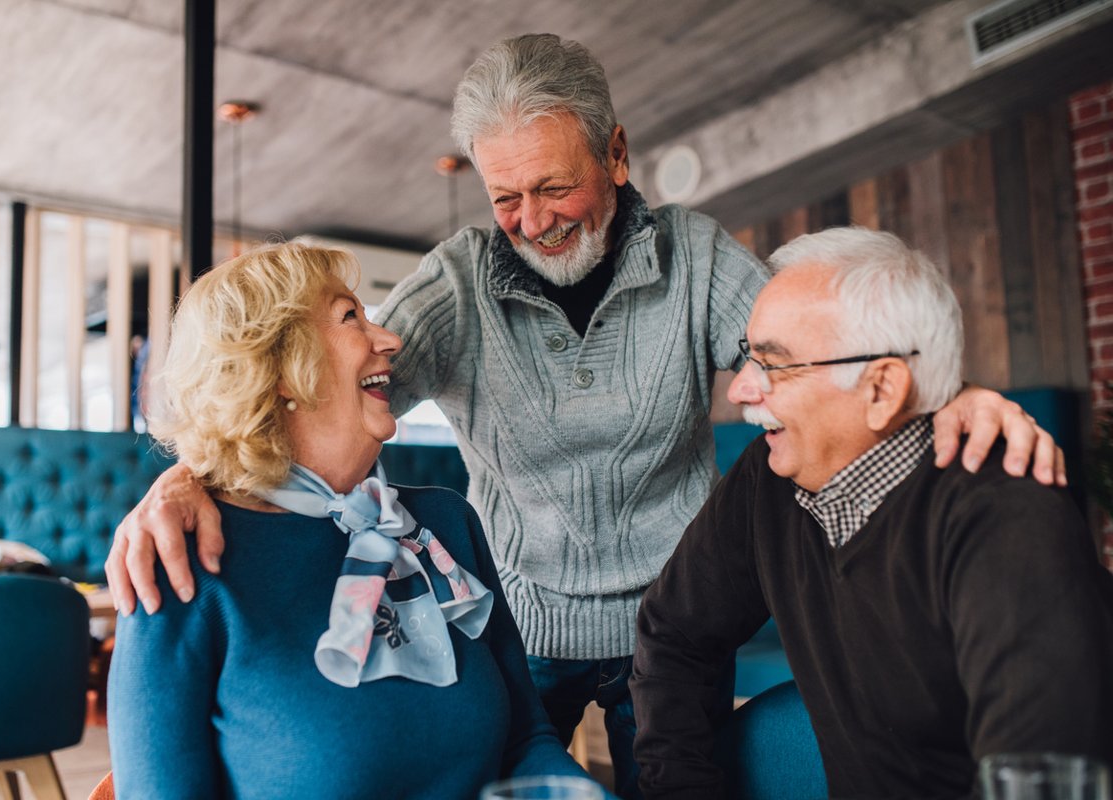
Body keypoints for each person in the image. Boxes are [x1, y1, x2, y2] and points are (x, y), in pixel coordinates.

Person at [105, 34, 1063, 799]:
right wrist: (190, 477)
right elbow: (312, 394)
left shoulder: (692, 259)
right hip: (517, 622)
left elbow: (813, 351)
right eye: (505, 196)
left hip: (677, 613)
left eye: (555, 185)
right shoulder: (452, 290)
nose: (532, 218)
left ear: (615, 153)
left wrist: (943, 394)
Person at [106, 242, 604, 799]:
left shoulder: (444, 522)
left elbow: (525, 740)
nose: (390, 338)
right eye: (351, 317)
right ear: (282, 370)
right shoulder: (180, 563)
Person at [631, 227, 1113, 800]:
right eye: (748, 358)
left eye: (774, 364)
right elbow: (674, 634)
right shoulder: (773, 474)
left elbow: (1043, 785)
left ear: (881, 389)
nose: (738, 390)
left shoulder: (1007, 523)